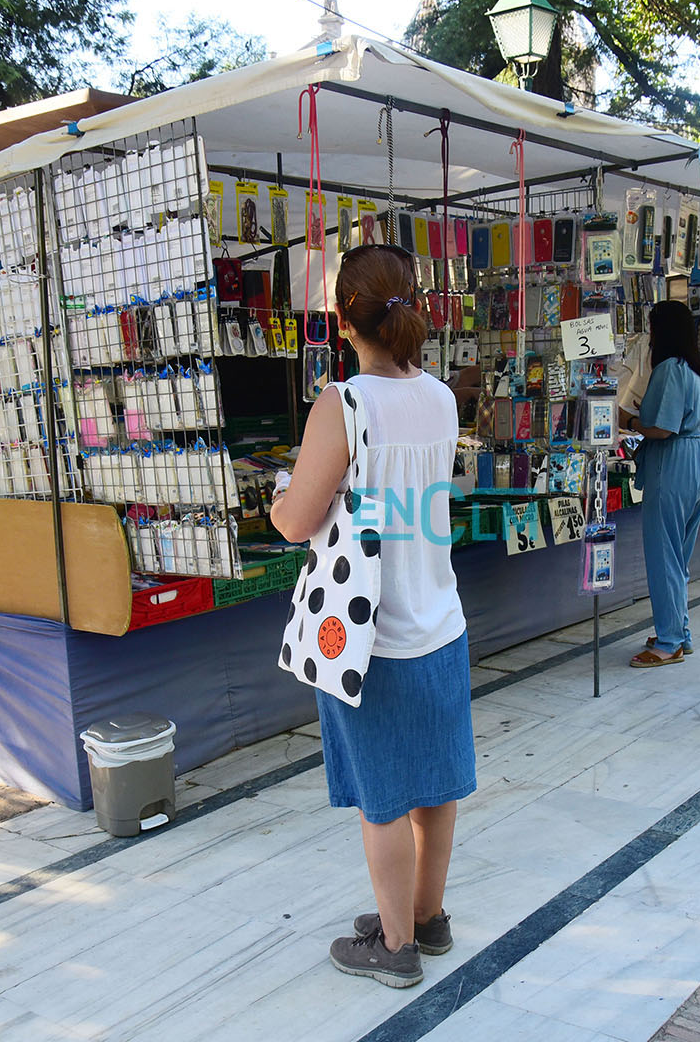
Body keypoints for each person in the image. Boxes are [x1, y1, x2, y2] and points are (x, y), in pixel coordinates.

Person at [271, 244, 473, 988]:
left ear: (343, 317)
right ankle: (427, 918)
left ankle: (394, 949)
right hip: (439, 618)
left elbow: (298, 520)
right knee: (436, 786)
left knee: (383, 797)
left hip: (369, 637)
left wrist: (278, 507)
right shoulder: (442, 398)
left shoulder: (345, 403)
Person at [620, 301, 700, 667]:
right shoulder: (698, 370)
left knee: (663, 555)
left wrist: (628, 421)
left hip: (673, 460)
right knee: (679, 555)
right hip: (699, 458)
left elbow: (661, 427)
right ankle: (679, 629)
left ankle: (669, 641)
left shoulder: (669, 369)